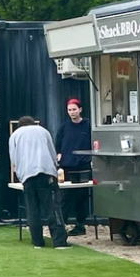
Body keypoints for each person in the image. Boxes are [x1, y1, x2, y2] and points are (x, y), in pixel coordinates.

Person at [9, 115, 63, 248]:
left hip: (27, 175)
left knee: (32, 210)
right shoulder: (43, 131)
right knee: (52, 208)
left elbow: (14, 158)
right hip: (46, 173)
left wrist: (20, 173)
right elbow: (52, 152)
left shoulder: (15, 135)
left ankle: (37, 241)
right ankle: (59, 241)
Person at [56, 97, 94, 236]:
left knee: (81, 196)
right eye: (69, 110)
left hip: (83, 165)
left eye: (74, 109)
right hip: (67, 165)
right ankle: (61, 224)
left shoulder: (88, 125)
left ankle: (80, 224)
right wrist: (59, 154)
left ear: (80, 110)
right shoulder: (64, 127)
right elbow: (58, 143)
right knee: (65, 197)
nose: (71, 112)